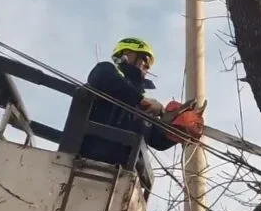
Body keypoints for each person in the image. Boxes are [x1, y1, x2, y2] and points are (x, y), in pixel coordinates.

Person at [79, 37, 192, 168]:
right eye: (144, 58)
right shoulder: (106, 70)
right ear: (127, 55)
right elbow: (107, 81)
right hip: (91, 156)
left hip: (124, 168)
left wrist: (176, 130)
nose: (148, 66)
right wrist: (142, 102)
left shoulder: (139, 104)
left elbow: (155, 139)